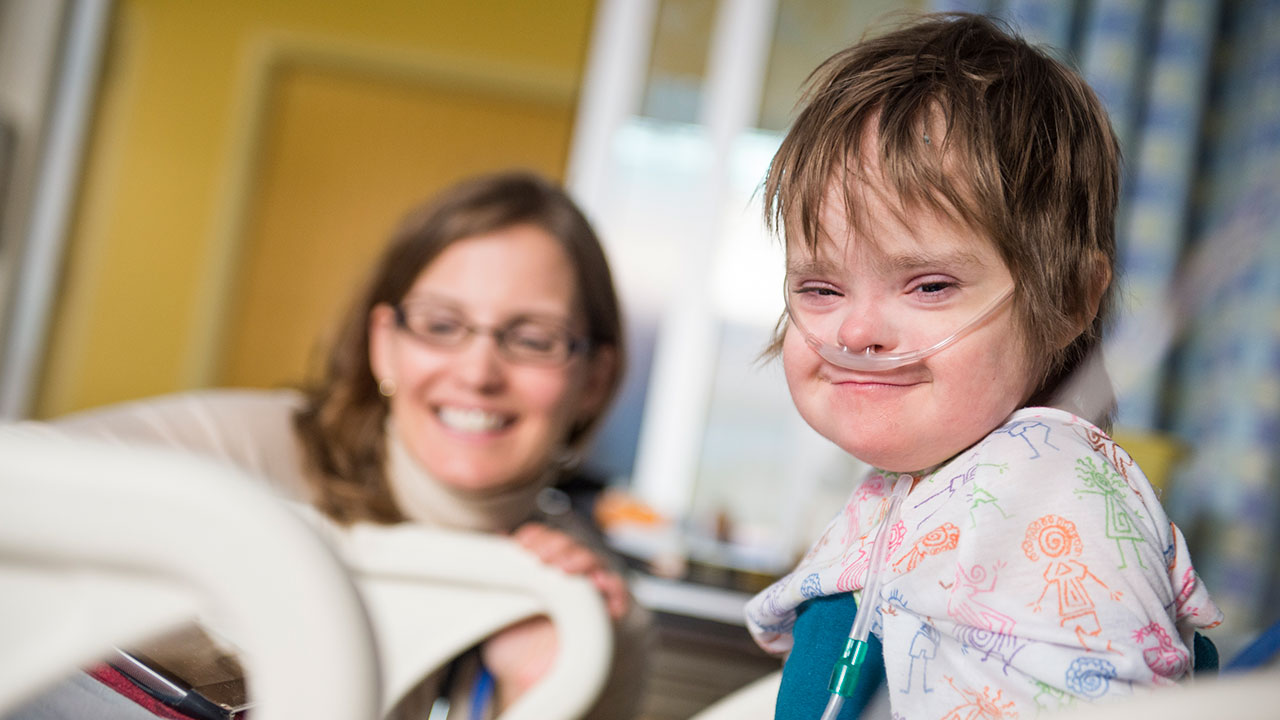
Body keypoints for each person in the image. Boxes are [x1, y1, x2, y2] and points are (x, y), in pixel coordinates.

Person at [21, 170, 649, 719]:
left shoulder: (593, 615)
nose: (479, 372)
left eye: (534, 338)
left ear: (593, 379)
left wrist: (530, 688)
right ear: (385, 343)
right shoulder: (234, 451)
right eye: (440, 325)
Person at [742, 13, 1221, 719]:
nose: (857, 328)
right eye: (820, 288)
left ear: (1066, 301)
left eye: (929, 285)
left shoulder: (1053, 496)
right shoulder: (926, 487)